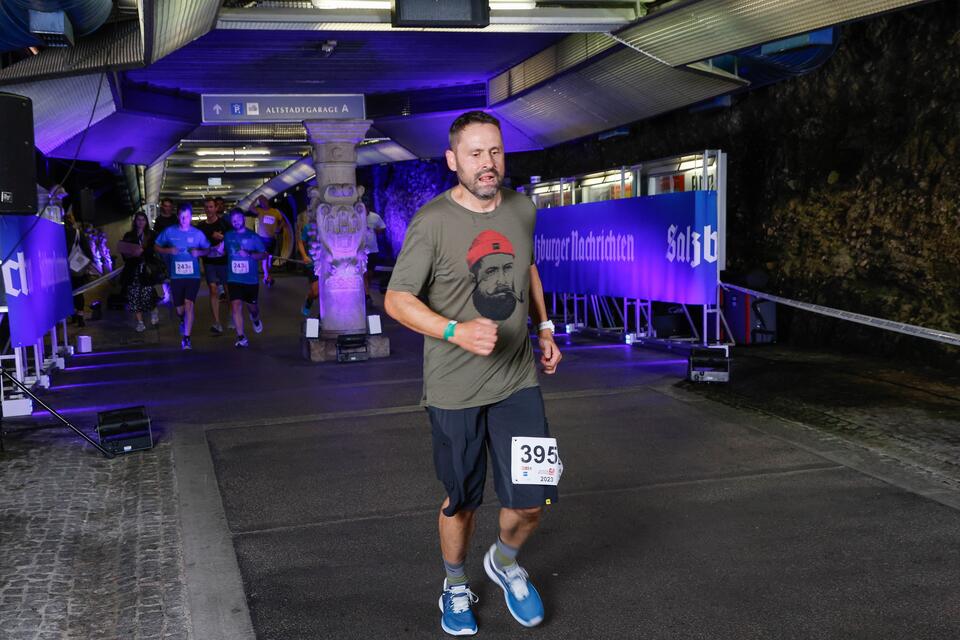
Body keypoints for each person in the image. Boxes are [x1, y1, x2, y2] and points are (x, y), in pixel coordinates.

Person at [384, 110, 562, 637]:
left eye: (495, 152)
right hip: (454, 388)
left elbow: (527, 266)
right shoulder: (432, 222)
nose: (488, 164)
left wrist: (545, 326)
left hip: (517, 378)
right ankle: (455, 583)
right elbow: (396, 299)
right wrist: (453, 332)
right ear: (453, 160)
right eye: (476, 154)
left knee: (533, 496)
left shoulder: (522, 209)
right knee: (461, 500)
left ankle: (504, 562)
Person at [154, 203, 210, 350]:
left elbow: (207, 249)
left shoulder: (197, 233)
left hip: (193, 276)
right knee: (180, 309)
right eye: (182, 216)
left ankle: (187, 338)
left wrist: (199, 253)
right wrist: (168, 250)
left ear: (191, 217)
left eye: (187, 217)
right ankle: (181, 319)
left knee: (189, 305)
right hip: (176, 277)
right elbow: (156, 246)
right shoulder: (169, 231)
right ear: (178, 216)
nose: (184, 219)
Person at [223, 208, 267, 348]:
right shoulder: (228, 236)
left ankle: (255, 318)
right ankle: (241, 336)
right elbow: (221, 249)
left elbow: (263, 254)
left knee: (252, 307)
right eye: (233, 220)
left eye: (238, 219)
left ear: (243, 219)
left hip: (250, 279)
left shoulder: (253, 237)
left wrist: (249, 254)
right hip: (234, 278)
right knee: (235, 306)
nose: (236, 222)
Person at [118, 211, 160, 332]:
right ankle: (140, 322)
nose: (141, 222)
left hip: (147, 269)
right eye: (138, 220)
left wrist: (143, 251)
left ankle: (153, 309)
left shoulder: (151, 235)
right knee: (134, 296)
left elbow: (155, 250)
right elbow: (124, 251)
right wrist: (132, 253)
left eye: (143, 220)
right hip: (132, 269)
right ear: (135, 221)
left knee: (147, 294)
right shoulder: (129, 235)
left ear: (146, 221)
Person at [197, 197, 231, 335]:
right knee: (213, 290)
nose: (208, 209)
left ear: (215, 208)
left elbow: (231, 239)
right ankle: (217, 322)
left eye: (211, 207)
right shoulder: (201, 226)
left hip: (223, 262)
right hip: (209, 263)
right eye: (206, 207)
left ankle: (232, 315)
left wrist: (223, 240)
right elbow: (199, 241)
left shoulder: (224, 223)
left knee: (228, 291)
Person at [253, 195, 282, 286]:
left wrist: (278, 228)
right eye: (260, 203)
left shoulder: (275, 212)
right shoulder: (260, 211)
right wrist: (255, 199)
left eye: (263, 202)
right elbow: (250, 208)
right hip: (262, 239)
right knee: (265, 258)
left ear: (267, 201)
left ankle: (266, 276)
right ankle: (267, 277)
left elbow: (282, 222)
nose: (262, 204)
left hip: (272, 239)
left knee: (269, 260)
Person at [153, 198, 178, 304]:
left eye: (169, 206)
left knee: (174, 272)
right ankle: (166, 293)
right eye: (165, 206)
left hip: (174, 250)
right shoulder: (159, 220)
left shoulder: (175, 218)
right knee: (164, 272)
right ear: (162, 206)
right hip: (163, 250)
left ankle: (174, 293)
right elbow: (157, 235)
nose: (167, 208)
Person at [363, 197, 387, 305]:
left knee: (370, 274)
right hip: (361, 251)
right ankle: (366, 294)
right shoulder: (356, 217)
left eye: (365, 208)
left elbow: (383, 228)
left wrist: (374, 230)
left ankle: (366, 290)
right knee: (364, 272)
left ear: (368, 208)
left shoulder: (375, 217)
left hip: (373, 249)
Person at [296, 210, 319, 317]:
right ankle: (308, 303)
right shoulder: (308, 228)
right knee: (315, 291)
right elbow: (301, 242)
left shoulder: (330, 227)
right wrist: (304, 256)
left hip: (328, 264)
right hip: (312, 264)